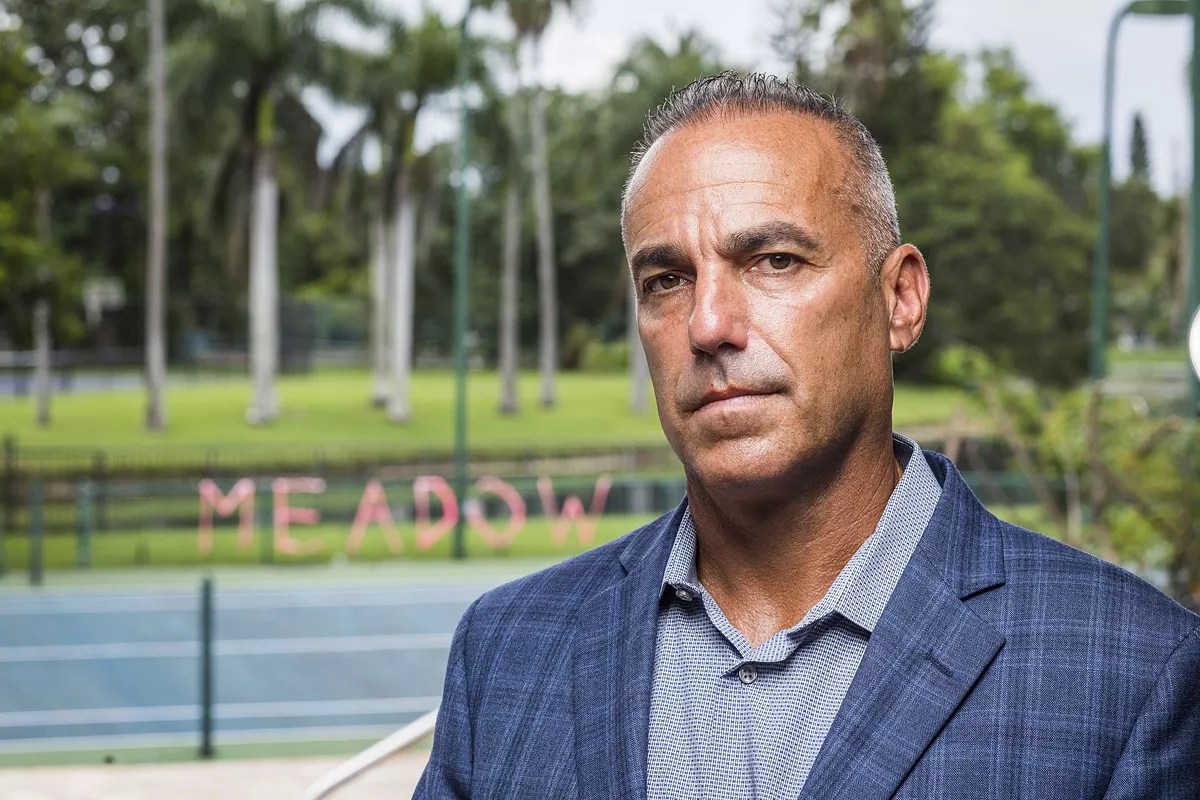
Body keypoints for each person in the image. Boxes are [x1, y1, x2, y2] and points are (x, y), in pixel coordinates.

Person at [414, 73, 1200, 800]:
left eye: (775, 261)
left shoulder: (1129, 672)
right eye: (667, 280)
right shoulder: (508, 651)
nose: (708, 324)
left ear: (900, 300)